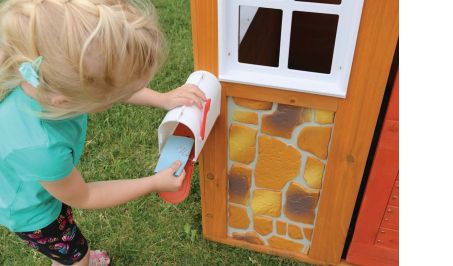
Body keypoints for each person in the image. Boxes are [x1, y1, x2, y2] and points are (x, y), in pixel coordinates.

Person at [0, 0, 206, 265]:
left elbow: (111, 85)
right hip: (31, 210)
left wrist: (162, 99)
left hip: (40, 180)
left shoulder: (51, 79)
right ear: (66, 100)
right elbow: (84, 195)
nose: (119, 97)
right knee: (75, 256)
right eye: (112, 97)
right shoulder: (42, 148)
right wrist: (153, 183)